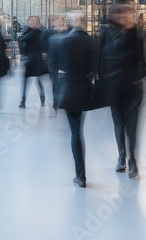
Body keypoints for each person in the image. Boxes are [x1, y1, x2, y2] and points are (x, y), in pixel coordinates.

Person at [48, 11, 99, 187]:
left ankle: (81, 175)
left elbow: (53, 68)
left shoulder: (59, 41)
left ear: (70, 22)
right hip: (85, 88)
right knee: (79, 129)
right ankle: (80, 175)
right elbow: (95, 65)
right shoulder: (91, 41)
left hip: (68, 88)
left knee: (75, 131)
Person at [99, 3, 146, 179]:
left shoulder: (137, 34)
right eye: (120, 14)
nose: (124, 16)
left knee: (132, 127)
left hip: (133, 87)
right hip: (114, 87)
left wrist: (138, 78)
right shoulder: (106, 33)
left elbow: (142, 60)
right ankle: (122, 157)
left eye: (128, 13)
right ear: (113, 16)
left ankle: (133, 159)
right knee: (119, 124)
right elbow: (100, 59)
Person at [18, 16, 48, 108]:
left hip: (36, 59)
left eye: (37, 21)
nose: (36, 22)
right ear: (29, 22)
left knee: (37, 80)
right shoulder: (32, 33)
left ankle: (41, 99)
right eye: (34, 21)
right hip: (31, 59)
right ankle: (24, 101)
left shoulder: (33, 33)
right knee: (29, 81)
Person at [43, 15, 67, 112]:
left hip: (63, 59)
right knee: (55, 80)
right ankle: (56, 101)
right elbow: (44, 45)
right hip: (52, 60)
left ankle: (60, 99)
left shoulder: (66, 32)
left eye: (62, 20)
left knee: (62, 80)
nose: (62, 22)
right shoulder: (48, 33)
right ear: (54, 22)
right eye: (60, 20)